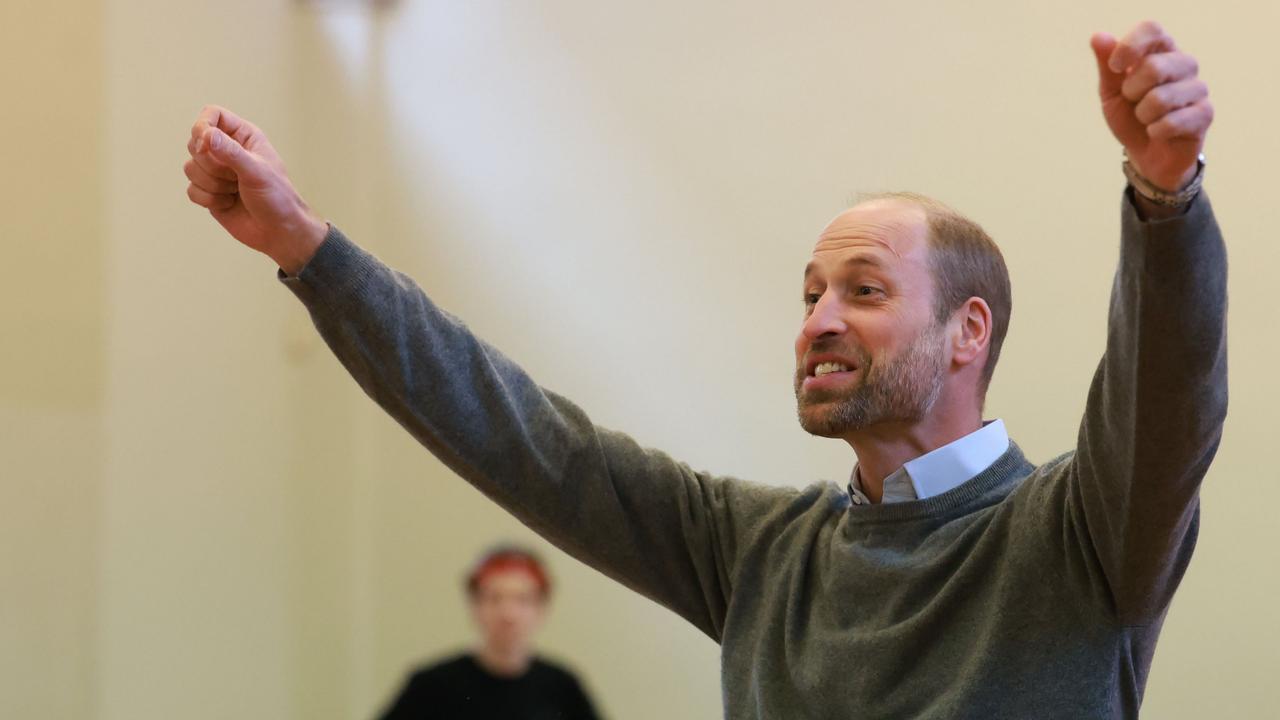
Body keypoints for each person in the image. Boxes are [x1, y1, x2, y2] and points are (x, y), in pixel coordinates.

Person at [183, 20, 1224, 718]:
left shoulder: (1082, 533)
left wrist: (1163, 198)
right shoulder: (755, 549)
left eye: (860, 290)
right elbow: (515, 436)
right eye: (808, 292)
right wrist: (308, 252)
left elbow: (1163, 394)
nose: (815, 319)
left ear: (967, 333)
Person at [376, 545, 601, 720]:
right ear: (475, 605)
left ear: (542, 608)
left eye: (523, 600)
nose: (508, 613)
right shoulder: (431, 686)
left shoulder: (563, 687)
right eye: (495, 598)